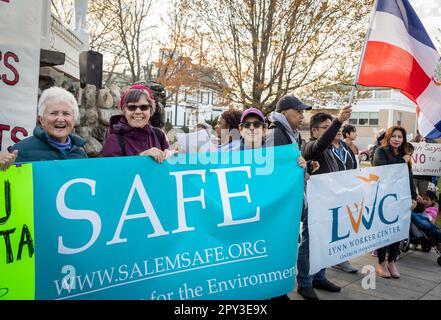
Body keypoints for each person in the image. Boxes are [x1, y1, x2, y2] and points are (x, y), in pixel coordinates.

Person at [297, 106, 357, 300]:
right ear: (315, 131)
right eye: (327, 127)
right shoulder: (311, 147)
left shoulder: (345, 148)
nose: (335, 130)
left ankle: (320, 277)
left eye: (335, 126)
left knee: (328, 242)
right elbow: (320, 145)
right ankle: (304, 282)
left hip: (338, 205)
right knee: (310, 244)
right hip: (317, 206)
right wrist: (339, 120)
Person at [372, 126, 418, 279]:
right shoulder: (380, 151)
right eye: (394, 136)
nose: (397, 139)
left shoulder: (405, 154)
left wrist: (413, 196)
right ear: (388, 137)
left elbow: (408, 177)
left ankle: (392, 261)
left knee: (397, 230)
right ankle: (381, 262)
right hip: (384, 197)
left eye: (400, 137)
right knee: (384, 230)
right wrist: (401, 160)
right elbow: (384, 170)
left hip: (401, 197)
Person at [8, 87, 87, 162]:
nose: (60, 119)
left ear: (74, 119)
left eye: (66, 113)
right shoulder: (21, 150)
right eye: (54, 113)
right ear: (41, 119)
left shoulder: (80, 154)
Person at [103, 85, 170, 162]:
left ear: (150, 110)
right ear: (124, 111)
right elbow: (112, 172)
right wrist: (141, 158)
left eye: (144, 107)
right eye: (132, 107)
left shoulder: (159, 135)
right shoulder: (114, 140)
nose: (138, 112)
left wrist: (172, 156)